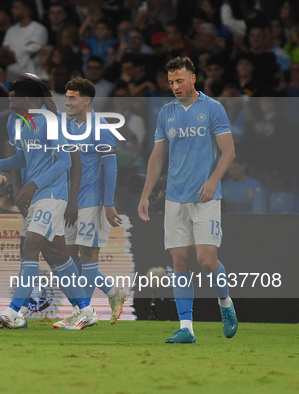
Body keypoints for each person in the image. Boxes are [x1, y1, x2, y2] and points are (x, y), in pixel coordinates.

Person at [0, 78, 99, 331]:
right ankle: (86, 310)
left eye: (14, 97)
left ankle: (15, 312)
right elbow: (19, 159)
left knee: (30, 245)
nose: (10, 101)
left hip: (53, 195)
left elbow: (65, 162)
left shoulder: (50, 120)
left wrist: (33, 184)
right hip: (35, 197)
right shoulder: (17, 122)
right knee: (54, 254)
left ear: (30, 99)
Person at [137, 56, 238, 344]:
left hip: (205, 197)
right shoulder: (165, 113)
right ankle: (186, 328)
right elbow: (157, 157)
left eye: (180, 80)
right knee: (180, 262)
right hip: (174, 198)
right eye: (170, 82)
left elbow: (228, 151)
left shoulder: (213, 109)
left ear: (193, 78)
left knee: (207, 260)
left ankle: (226, 303)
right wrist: (145, 194)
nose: (175, 86)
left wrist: (213, 180)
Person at [51, 78, 128, 328]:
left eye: (72, 97)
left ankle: (84, 314)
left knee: (88, 254)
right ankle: (112, 293)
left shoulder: (102, 127)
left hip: (92, 200)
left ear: (87, 101)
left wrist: (108, 203)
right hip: (70, 200)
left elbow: (111, 168)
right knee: (70, 258)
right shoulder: (69, 127)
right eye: (66, 96)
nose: (67, 102)